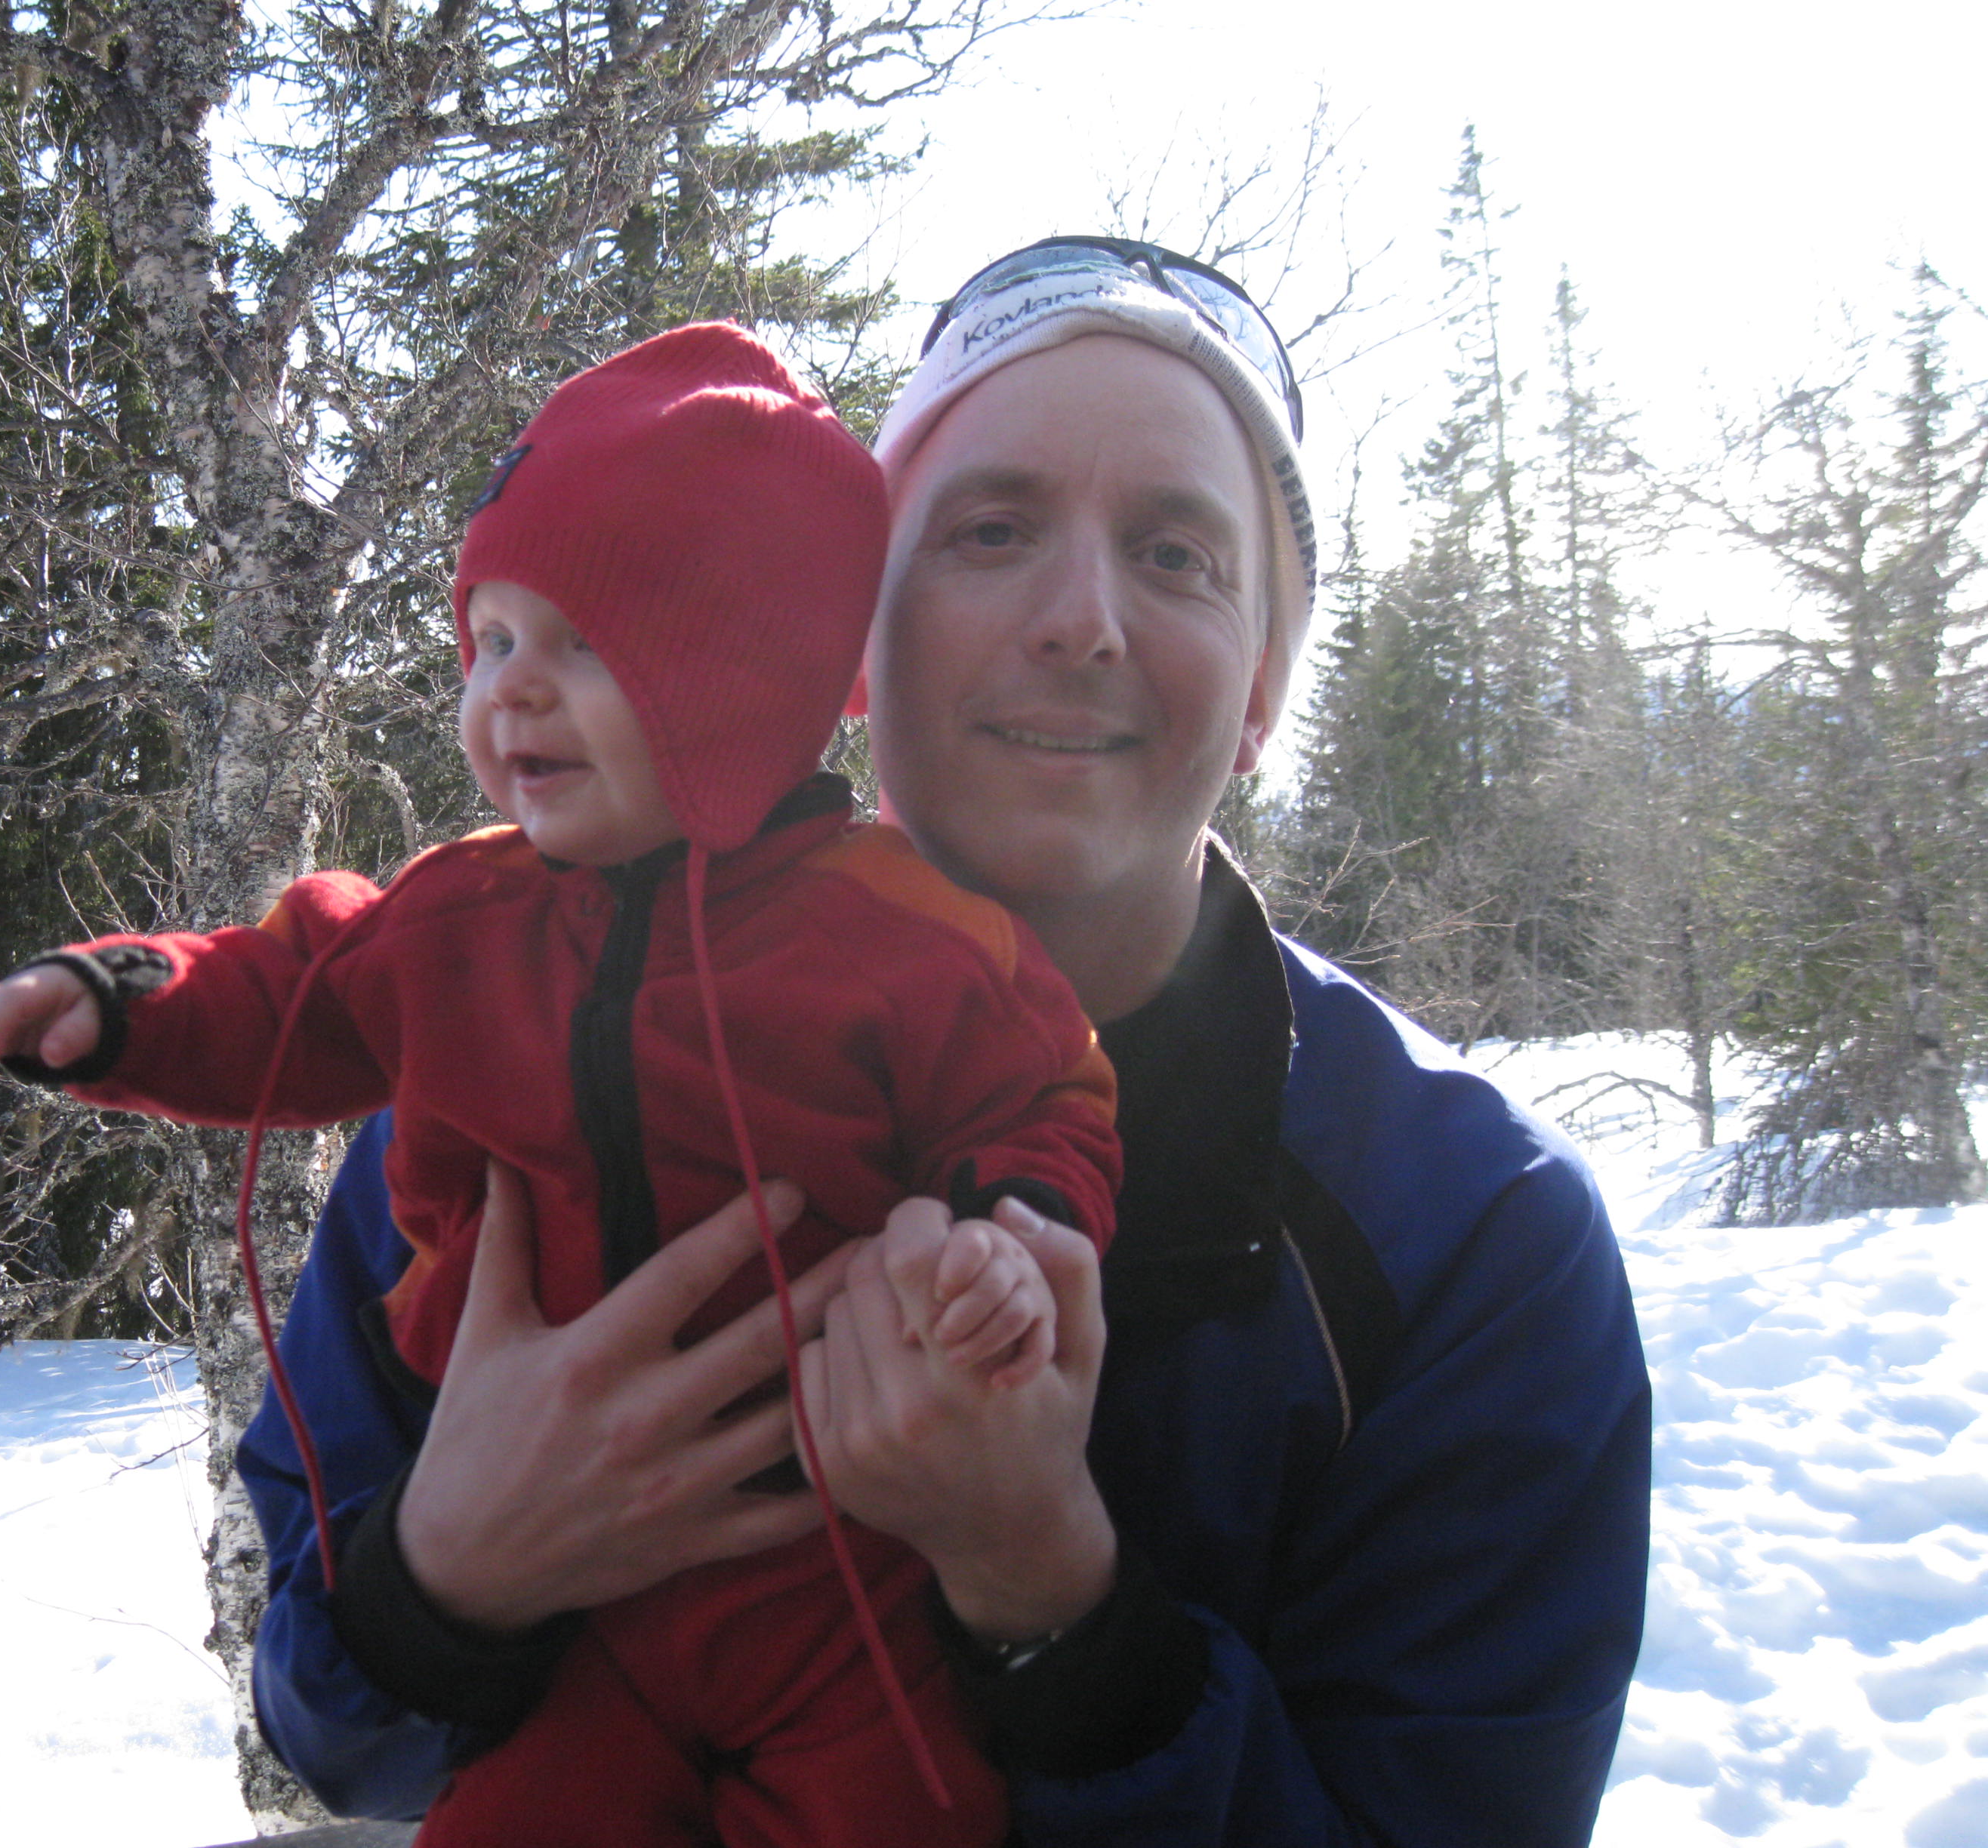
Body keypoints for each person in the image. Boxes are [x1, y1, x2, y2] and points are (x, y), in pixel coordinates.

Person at [240, 240, 1652, 1846]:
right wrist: (445, 1579)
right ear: (851, 643)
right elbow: (328, 1727)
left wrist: (1046, 1590)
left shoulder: (1469, 1231)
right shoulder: (517, 1046)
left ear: (1263, 688)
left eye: (1177, 555)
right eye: (990, 531)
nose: (1082, 620)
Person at [0, 322, 1122, 1847]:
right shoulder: (461, 918)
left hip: (832, 1578)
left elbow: (1040, 1096)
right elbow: (290, 984)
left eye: (585, 645)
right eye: (492, 641)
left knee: (903, 1814)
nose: (514, 693)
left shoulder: (898, 929)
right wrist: (114, 1003)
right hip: (568, 1622)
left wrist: (1010, 1236)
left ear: (751, 672)